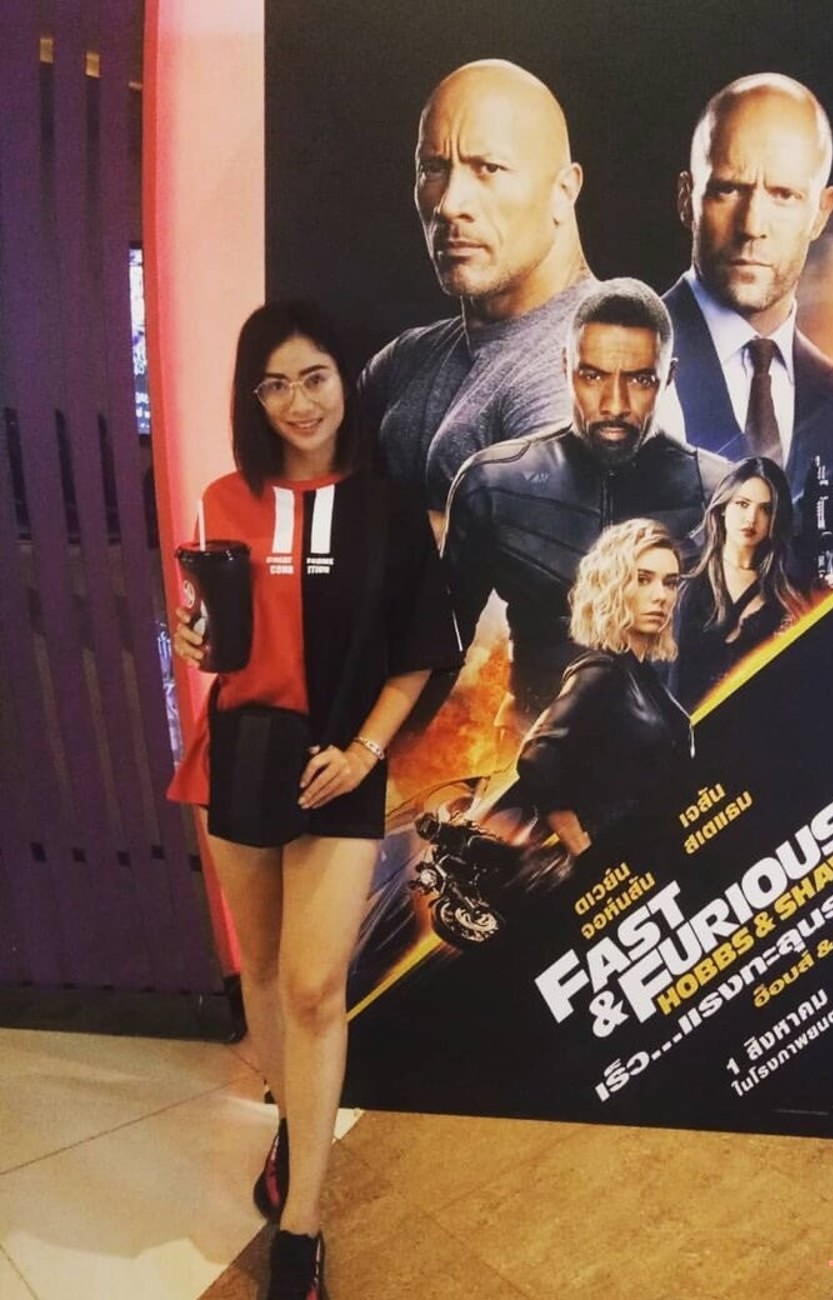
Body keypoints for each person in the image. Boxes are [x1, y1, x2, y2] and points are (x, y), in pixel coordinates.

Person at [169, 302, 460, 1300]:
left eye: (315, 377)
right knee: (260, 974)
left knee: (312, 990)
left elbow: (419, 654)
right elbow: (215, 639)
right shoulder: (223, 499)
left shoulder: (389, 510)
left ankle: (301, 1225)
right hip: (239, 759)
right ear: (253, 398)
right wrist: (193, 638)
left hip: (340, 767)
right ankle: (296, 1129)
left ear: (346, 381)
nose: (298, 402)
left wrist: (364, 751)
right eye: (275, 384)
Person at [441, 278, 728, 735]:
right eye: (593, 376)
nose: (615, 404)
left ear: (668, 378)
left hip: (674, 752)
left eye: (639, 379)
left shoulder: (722, 493)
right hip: (524, 748)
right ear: (565, 367)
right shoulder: (493, 484)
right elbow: (433, 650)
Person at [662, 73, 833, 584]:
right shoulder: (611, 372)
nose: (752, 226)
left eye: (784, 195)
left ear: (821, 213)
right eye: (728, 189)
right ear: (686, 198)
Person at [360, 59, 594, 521]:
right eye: (433, 169)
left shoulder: (591, 366)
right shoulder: (409, 359)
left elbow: (541, 557)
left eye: (488, 168)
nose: (450, 205)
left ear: (564, 192)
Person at [515, 519, 693, 855]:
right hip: (625, 862)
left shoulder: (641, 674)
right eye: (643, 579)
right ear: (614, 584)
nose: (661, 596)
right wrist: (584, 850)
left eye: (670, 583)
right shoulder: (601, 672)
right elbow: (537, 758)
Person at [675, 456, 811, 710]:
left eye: (765, 509)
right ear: (724, 506)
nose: (751, 518)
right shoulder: (683, 575)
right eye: (742, 504)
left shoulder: (788, 593)